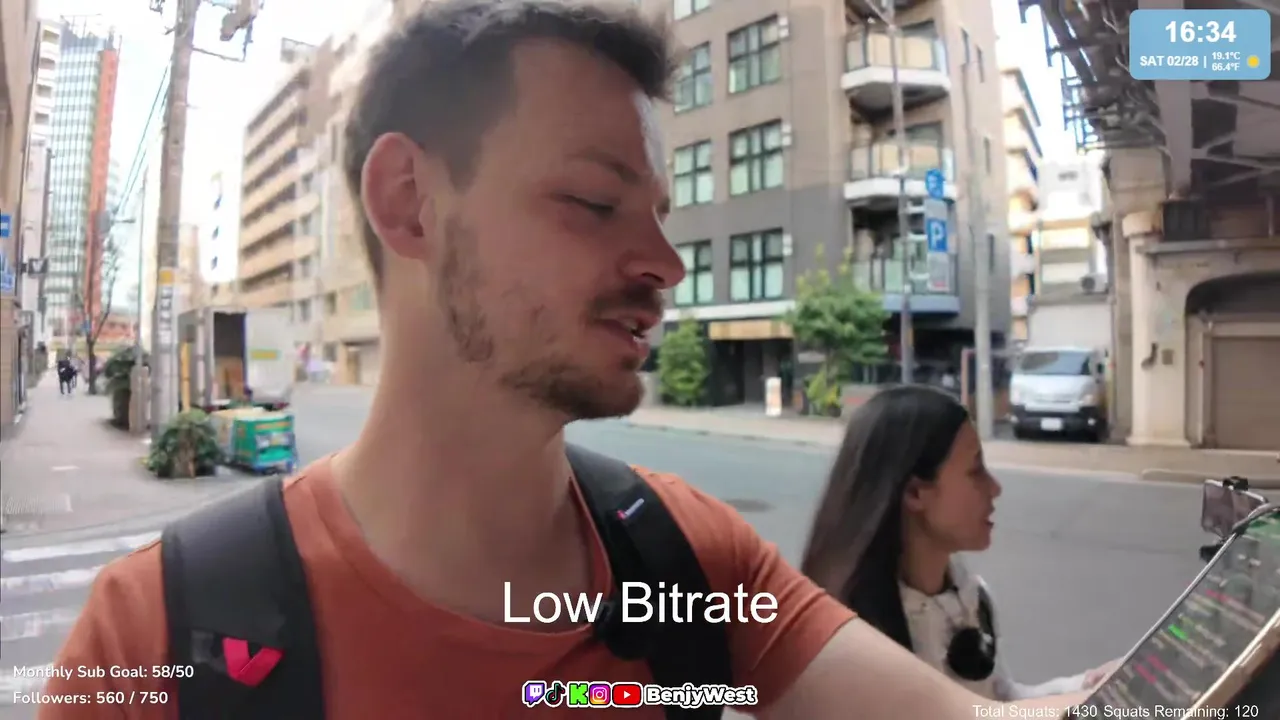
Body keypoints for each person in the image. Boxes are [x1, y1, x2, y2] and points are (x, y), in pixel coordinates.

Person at [41, 2, 1091, 718]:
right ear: (410, 202)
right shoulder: (160, 634)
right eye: (592, 202)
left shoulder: (691, 559)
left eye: (659, 213)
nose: (666, 264)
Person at [800, 385, 1120, 701]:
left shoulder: (972, 598)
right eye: (975, 470)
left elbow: (997, 699)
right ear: (915, 493)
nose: (994, 488)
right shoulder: (854, 643)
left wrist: (1085, 686)